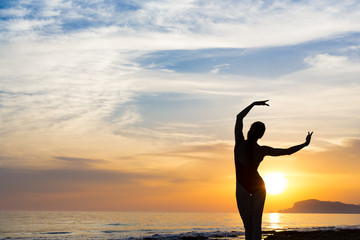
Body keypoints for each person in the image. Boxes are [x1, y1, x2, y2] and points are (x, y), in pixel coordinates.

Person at [234, 100, 313, 240]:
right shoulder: (262, 150)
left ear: (250, 131)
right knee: (256, 225)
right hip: (259, 186)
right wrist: (305, 144)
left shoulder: (240, 143)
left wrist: (253, 104)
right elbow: (287, 151)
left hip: (243, 186)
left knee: (248, 226)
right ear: (261, 135)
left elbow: (239, 117)